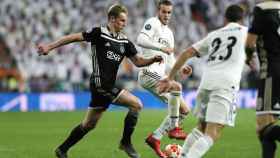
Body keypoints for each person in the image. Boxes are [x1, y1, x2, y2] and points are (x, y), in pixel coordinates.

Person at [37, 4, 163, 158]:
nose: (125, 24)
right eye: (122, 20)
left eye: (125, 21)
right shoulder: (99, 33)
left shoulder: (125, 42)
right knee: (136, 104)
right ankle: (125, 142)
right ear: (112, 19)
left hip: (106, 87)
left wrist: (152, 59)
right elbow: (73, 37)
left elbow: (138, 61)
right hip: (99, 84)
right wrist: (50, 46)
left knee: (89, 124)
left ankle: (62, 149)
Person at [157, 5, 247, 158]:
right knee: (213, 132)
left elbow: (187, 52)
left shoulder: (215, 34)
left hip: (206, 83)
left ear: (225, 19)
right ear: (242, 19)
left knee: (201, 127)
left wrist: (170, 77)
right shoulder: (246, 32)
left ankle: (182, 154)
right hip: (225, 84)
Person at [136, 0, 191, 157]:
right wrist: (160, 48)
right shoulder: (152, 23)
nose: (166, 15)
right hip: (147, 72)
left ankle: (156, 137)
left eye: (169, 12)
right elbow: (140, 40)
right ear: (158, 11)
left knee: (185, 110)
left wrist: (180, 68)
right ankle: (174, 128)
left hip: (159, 74)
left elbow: (169, 61)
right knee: (176, 87)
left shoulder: (169, 33)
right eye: (164, 12)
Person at [246, 1, 280, 157]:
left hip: (272, 72)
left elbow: (250, 42)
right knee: (266, 130)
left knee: (263, 127)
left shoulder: (262, 9)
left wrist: (248, 57)